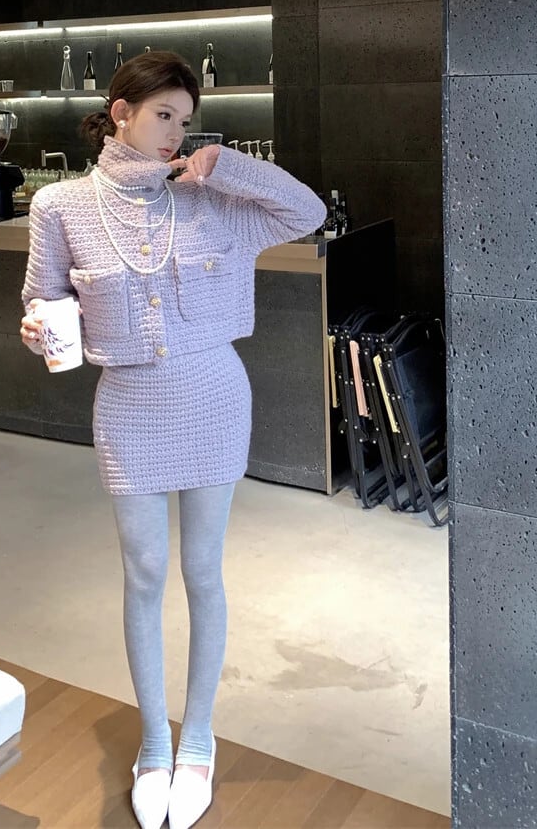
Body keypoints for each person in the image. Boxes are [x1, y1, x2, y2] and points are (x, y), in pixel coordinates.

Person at [19, 51, 325, 829]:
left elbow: (308, 212)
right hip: (127, 407)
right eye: (163, 114)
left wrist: (231, 166)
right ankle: (154, 740)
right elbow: (43, 299)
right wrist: (39, 329)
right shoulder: (60, 204)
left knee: (202, 570)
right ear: (120, 111)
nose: (175, 133)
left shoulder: (210, 199)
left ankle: (198, 737)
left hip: (215, 398)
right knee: (145, 571)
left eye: (185, 120)